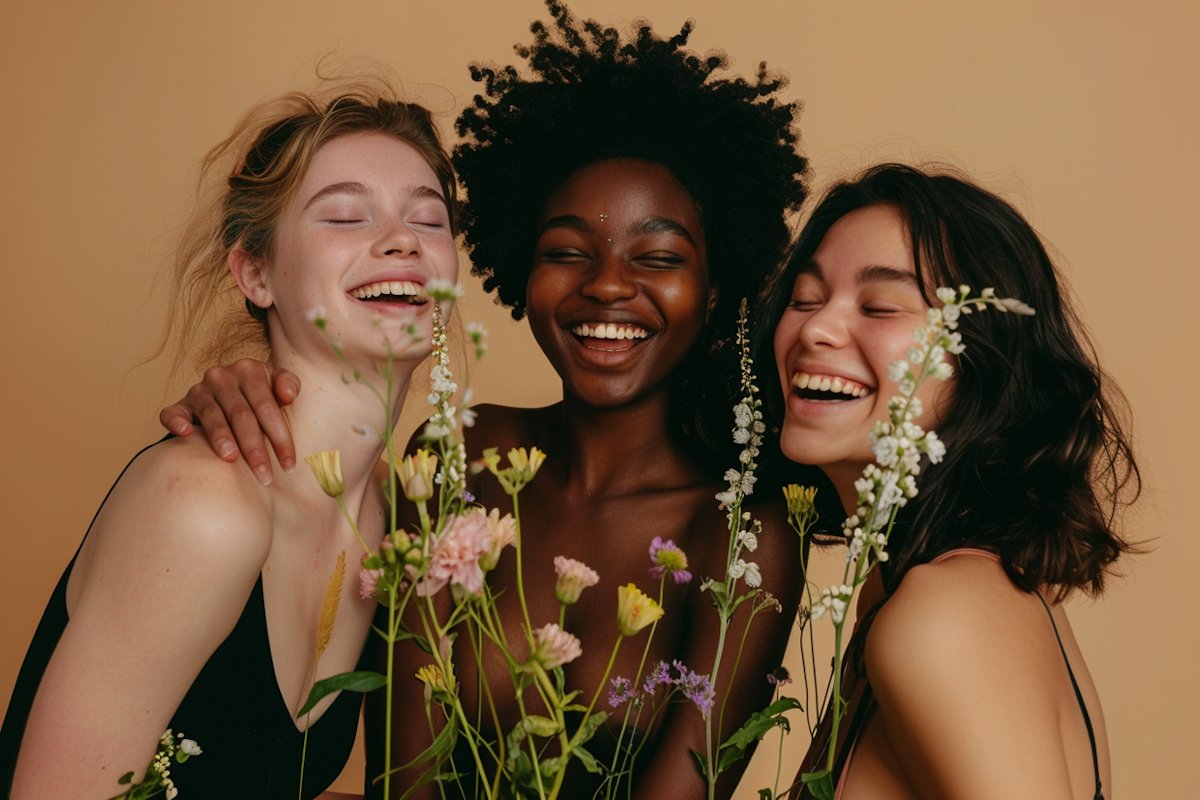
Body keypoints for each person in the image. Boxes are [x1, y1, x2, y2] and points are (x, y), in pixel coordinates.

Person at [158, 3, 811, 796]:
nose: (608, 284)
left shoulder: (743, 530)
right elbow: (404, 779)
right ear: (520, 272)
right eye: (567, 251)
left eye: (659, 257)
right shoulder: (459, 458)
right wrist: (250, 386)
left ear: (713, 291)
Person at [0, 85, 460, 799]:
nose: (403, 240)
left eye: (428, 220)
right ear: (254, 272)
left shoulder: (394, 518)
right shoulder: (205, 506)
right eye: (345, 215)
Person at [762, 163, 1138, 799]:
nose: (816, 328)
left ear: (983, 364)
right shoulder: (939, 590)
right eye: (804, 298)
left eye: (879, 306)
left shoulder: (943, 616)